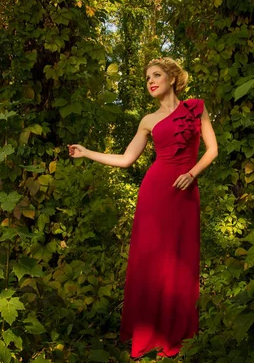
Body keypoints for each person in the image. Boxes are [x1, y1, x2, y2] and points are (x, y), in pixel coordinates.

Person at [67, 57, 218, 358]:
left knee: (180, 258)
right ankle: (148, 331)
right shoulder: (147, 121)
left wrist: (192, 174)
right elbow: (126, 159)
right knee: (150, 260)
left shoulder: (196, 108)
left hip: (185, 191)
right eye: (148, 77)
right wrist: (87, 153)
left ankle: (177, 330)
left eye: (157, 75)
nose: (151, 80)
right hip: (154, 193)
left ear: (173, 79)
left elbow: (213, 149)